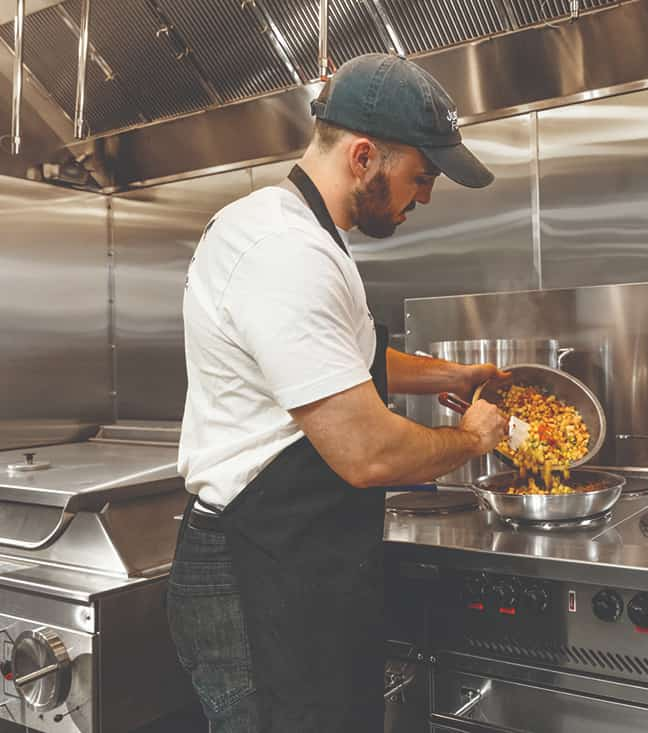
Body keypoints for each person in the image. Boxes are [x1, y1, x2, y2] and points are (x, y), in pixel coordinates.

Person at [169, 53, 510, 732]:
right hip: (254, 572)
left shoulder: (303, 236)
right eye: (423, 176)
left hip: (296, 560)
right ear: (363, 157)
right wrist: (472, 439)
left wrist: (451, 376)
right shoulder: (282, 251)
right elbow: (365, 451)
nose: (426, 196)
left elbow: (342, 361)